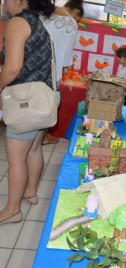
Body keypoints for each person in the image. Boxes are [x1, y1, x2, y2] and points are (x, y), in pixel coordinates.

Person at [0, 0, 55, 224]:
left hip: (24, 104)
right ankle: (30, 192)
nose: (5, 3)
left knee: (16, 158)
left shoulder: (18, 22)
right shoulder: (38, 22)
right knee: (33, 150)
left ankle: (13, 210)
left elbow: (12, 67)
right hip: (41, 102)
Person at [41, 0, 84, 145]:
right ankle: (42, 137)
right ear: (76, 13)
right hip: (52, 73)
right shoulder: (70, 23)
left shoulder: (44, 13)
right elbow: (66, 61)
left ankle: (38, 137)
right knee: (47, 107)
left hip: (33, 69)